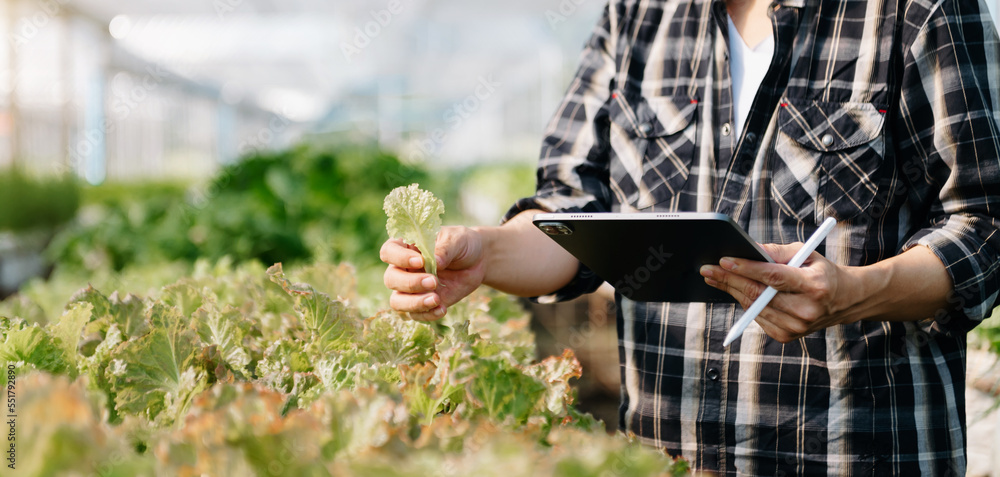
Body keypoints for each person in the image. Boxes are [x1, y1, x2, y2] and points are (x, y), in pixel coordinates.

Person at [381, 0, 1000, 474]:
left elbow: (986, 224)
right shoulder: (640, 17)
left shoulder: (916, 11)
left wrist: (854, 292)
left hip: (854, 454)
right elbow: (572, 215)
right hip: (664, 453)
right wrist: (485, 253)